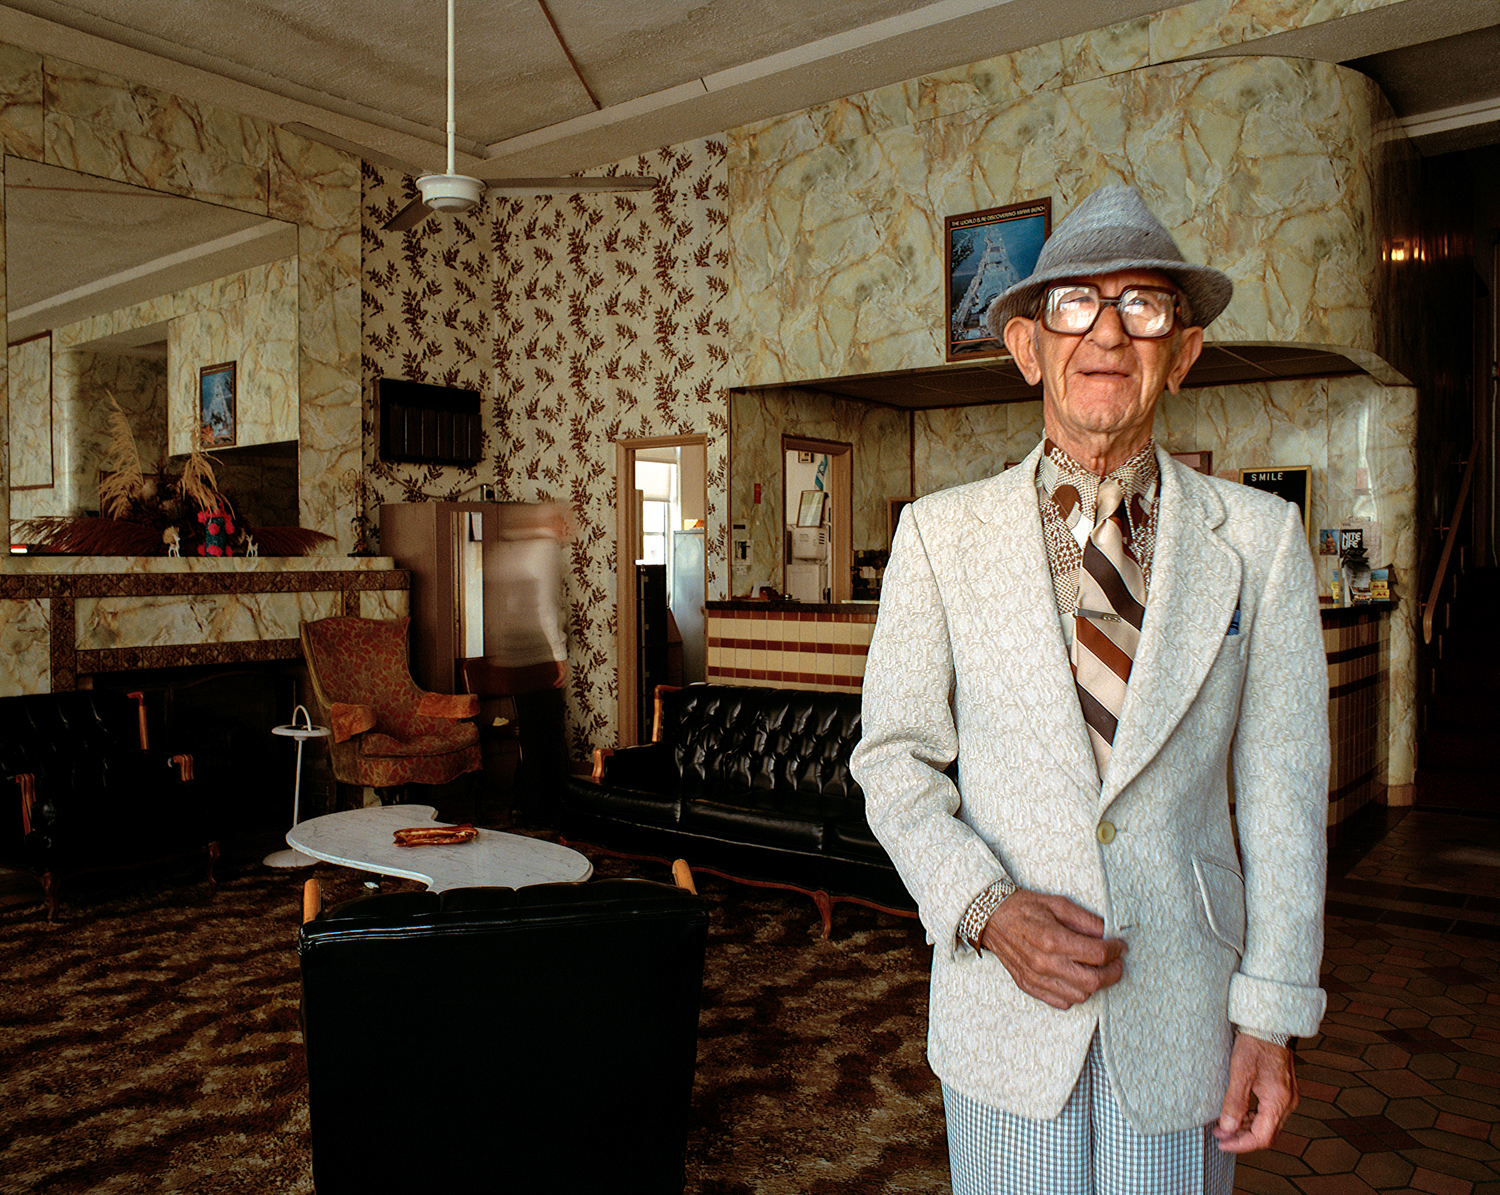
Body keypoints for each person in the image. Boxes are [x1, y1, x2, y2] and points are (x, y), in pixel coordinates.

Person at [849, 185, 1329, 1195]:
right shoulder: (938, 537)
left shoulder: (1259, 543)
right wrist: (982, 907)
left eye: (1143, 305)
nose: (1106, 331)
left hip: (1184, 1014)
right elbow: (891, 758)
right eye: (1074, 305)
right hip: (1004, 1017)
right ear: (1028, 348)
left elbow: (1284, 790)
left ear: (1182, 352)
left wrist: (1271, 1015)